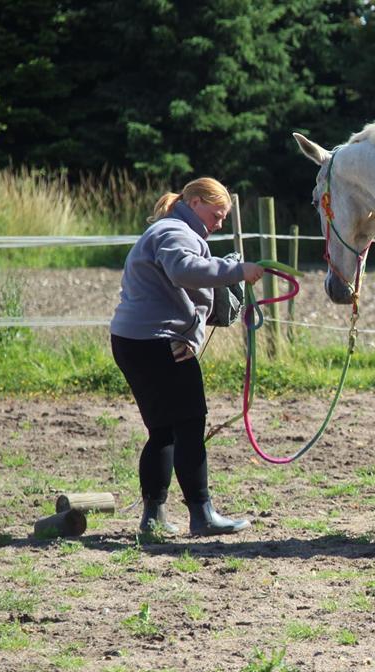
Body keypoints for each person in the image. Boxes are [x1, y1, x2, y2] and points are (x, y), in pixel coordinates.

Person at [110, 177, 265, 536]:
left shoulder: (168, 230)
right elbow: (183, 270)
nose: (220, 223)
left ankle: (153, 518)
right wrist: (236, 271)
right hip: (159, 342)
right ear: (195, 202)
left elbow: (177, 283)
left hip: (134, 339)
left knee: (163, 430)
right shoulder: (175, 232)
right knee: (190, 425)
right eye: (216, 214)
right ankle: (202, 514)